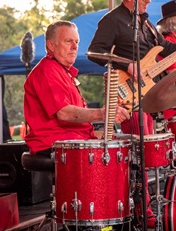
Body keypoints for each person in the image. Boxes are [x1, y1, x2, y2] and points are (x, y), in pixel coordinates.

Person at [88, 0, 176, 227]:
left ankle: (143, 210)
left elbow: (164, 48)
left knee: (144, 156)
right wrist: (127, 64)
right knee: (138, 157)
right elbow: (94, 51)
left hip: (145, 95)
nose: (148, 1)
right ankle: (141, 213)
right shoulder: (112, 20)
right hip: (125, 93)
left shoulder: (145, 23)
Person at [23, 20, 130, 157]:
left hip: (72, 143)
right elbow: (64, 113)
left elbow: (77, 124)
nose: (75, 47)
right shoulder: (47, 70)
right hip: (56, 147)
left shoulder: (63, 72)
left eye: (77, 42)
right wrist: (104, 113)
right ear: (51, 45)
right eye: (68, 41)